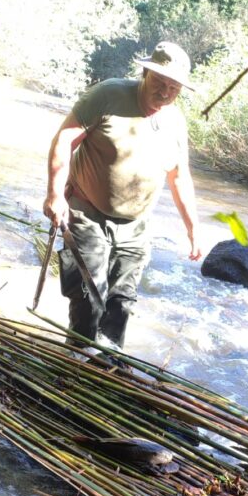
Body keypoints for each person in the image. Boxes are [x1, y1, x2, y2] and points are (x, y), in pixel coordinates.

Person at [42, 41, 201, 350]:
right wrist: (54, 194)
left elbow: (180, 177)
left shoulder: (174, 121)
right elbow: (64, 140)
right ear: (145, 73)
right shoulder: (107, 96)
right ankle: (75, 363)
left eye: (174, 87)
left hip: (136, 225)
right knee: (89, 298)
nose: (166, 93)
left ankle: (107, 367)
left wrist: (193, 228)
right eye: (160, 82)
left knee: (121, 304)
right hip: (87, 211)